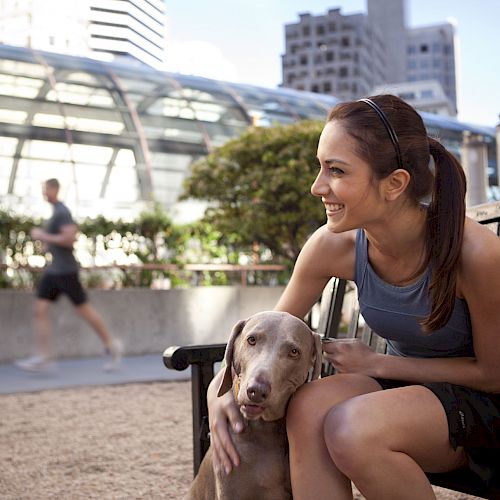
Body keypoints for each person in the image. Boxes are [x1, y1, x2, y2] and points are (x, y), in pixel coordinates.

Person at [205, 95, 500, 499]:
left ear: (395, 183)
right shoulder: (334, 246)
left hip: (484, 408)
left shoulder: (476, 254)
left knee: (350, 427)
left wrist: (378, 362)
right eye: (320, 167)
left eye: (336, 170)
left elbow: (494, 374)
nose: (316, 186)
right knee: (308, 407)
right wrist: (218, 391)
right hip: (407, 392)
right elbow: (265, 331)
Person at [15, 178, 123, 373]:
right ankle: (44, 358)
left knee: (84, 310)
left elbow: (69, 238)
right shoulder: (56, 212)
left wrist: (43, 236)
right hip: (54, 270)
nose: (44, 193)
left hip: (65, 271)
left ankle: (112, 345)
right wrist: (47, 243)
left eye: (46, 189)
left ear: (55, 189)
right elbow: (59, 240)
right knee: (39, 309)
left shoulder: (63, 212)